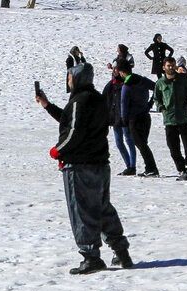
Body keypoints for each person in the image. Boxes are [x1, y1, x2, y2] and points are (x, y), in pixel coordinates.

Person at [37, 63, 134, 274]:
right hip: (100, 163)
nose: (68, 80)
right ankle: (121, 250)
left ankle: (91, 257)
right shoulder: (95, 98)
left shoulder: (78, 101)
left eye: (70, 76)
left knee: (81, 211)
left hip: (79, 165)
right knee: (102, 208)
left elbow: (73, 132)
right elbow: (73, 121)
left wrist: (58, 151)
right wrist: (47, 105)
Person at [155, 57, 187, 181]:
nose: (171, 67)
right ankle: (181, 170)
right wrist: (161, 107)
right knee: (173, 148)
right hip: (169, 120)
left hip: (183, 118)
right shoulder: (160, 83)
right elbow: (156, 98)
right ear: (164, 67)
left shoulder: (183, 79)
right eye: (168, 65)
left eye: (172, 65)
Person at [115, 60, 159, 178]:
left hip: (134, 119)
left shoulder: (126, 86)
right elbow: (157, 87)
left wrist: (124, 120)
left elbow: (124, 104)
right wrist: (150, 104)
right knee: (143, 144)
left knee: (141, 144)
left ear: (122, 72)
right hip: (145, 116)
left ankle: (151, 168)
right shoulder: (142, 80)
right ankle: (149, 168)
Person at [103, 66, 136, 176]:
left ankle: (132, 166)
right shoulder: (110, 84)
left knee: (129, 141)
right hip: (114, 118)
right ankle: (128, 165)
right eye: (114, 70)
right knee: (119, 143)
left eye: (118, 70)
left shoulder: (126, 84)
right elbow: (104, 99)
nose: (116, 72)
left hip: (124, 117)